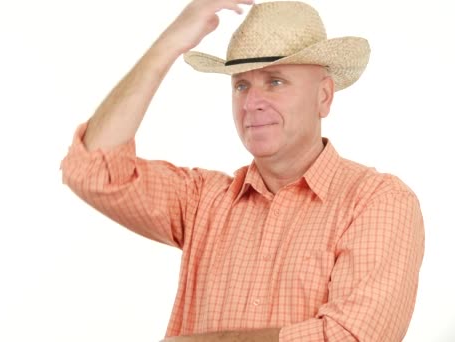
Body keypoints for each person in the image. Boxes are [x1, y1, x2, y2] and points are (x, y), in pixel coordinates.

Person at [60, 1, 425, 341]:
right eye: (241, 85)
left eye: (275, 81)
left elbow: (348, 336)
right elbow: (92, 168)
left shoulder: (377, 202)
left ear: (324, 96)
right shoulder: (203, 200)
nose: (252, 103)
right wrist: (168, 45)